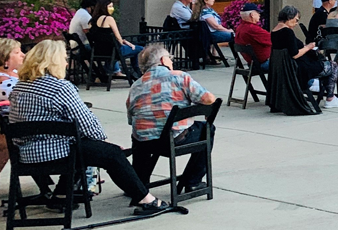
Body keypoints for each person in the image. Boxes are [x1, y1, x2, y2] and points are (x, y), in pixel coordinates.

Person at [9, 39, 169, 215]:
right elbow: (86, 122)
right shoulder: (59, 87)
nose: (65, 62)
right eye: (63, 58)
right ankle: (146, 200)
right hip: (55, 153)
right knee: (112, 154)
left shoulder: (20, 87)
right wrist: (106, 143)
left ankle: (62, 195)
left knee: (85, 146)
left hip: (25, 154)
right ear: (53, 61)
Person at [126, 43, 218, 189]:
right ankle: (192, 182)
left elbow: (131, 120)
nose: (172, 61)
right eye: (170, 57)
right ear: (163, 60)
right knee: (208, 129)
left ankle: (138, 184)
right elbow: (209, 99)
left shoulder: (136, 85)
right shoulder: (179, 77)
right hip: (175, 139)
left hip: (145, 143)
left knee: (138, 135)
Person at [272, 6, 338, 107]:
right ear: (289, 17)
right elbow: (295, 54)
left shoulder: (274, 31)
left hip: (287, 67)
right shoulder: (287, 32)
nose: (296, 23)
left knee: (325, 64)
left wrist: (304, 47)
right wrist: (308, 47)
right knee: (333, 65)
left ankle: (322, 90)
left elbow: (290, 49)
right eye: (296, 20)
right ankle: (330, 98)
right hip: (299, 68)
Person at [88, 0, 143, 77]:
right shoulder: (109, 19)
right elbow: (118, 37)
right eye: (110, 6)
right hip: (115, 51)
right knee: (140, 49)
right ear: (104, 7)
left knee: (132, 48)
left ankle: (105, 72)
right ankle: (137, 71)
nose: (112, 9)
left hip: (99, 51)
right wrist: (125, 43)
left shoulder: (92, 21)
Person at [0, 38, 25, 172]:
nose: (23, 55)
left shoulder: (14, 74)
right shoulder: (3, 82)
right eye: (16, 52)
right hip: (13, 125)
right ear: (5, 59)